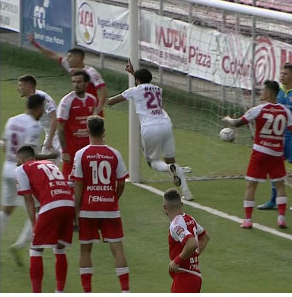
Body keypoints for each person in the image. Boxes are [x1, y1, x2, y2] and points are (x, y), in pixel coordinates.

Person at [221, 80, 292, 230]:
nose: (261, 93)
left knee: (251, 185)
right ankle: (281, 218)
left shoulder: (258, 109)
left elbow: (237, 123)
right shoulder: (285, 111)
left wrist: (227, 119)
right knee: (280, 184)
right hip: (276, 154)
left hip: (260, 152)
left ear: (269, 93)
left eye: (263, 90)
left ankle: (248, 220)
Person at [106, 63, 193, 200]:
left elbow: (111, 102)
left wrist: (102, 99)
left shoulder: (133, 91)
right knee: (171, 159)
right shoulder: (158, 89)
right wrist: (134, 72)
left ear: (137, 80)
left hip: (150, 127)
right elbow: (142, 84)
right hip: (165, 124)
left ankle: (168, 167)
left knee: (153, 162)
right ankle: (187, 193)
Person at [71, 117, 130, 293]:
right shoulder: (114, 154)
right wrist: (113, 198)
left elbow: (78, 185)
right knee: (117, 249)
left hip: (88, 209)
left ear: (88, 132)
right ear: (104, 132)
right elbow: (121, 183)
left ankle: (87, 291)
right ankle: (125, 291)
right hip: (110, 209)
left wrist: (76, 212)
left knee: (85, 250)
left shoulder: (81, 154)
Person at [14, 144, 73, 293]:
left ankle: (37, 293)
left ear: (21, 159)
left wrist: (34, 224)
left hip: (51, 205)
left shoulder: (21, 169)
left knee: (35, 249)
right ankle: (59, 292)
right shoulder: (48, 164)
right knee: (59, 248)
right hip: (68, 204)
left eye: (17, 160)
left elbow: (28, 199)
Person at [257, 64, 292, 212]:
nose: (282, 76)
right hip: (278, 136)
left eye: (286, 74)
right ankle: (273, 200)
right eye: (281, 73)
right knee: (275, 167)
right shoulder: (277, 92)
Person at [3, 95, 50, 265]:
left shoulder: (12, 120)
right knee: (38, 209)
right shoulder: (34, 127)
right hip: (21, 171)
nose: (43, 112)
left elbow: (5, 146)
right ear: (38, 108)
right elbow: (30, 155)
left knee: (6, 209)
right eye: (43, 109)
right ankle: (20, 245)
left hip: (7, 168)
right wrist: (51, 155)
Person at [28, 38, 106, 116]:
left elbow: (102, 90)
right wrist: (36, 44)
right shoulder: (69, 66)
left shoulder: (91, 72)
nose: (67, 59)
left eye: (70, 57)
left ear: (78, 58)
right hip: (80, 106)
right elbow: (52, 55)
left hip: (92, 108)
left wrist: (98, 109)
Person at [163, 187, 208, 293]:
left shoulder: (176, 224)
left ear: (165, 207)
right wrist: (191, 256)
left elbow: (192, 243)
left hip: (185, 276)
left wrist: (177, 261)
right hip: (193, 276)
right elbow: (204, 237)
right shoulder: (189, 219)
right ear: (181, 204)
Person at [53, 70, 98, 172]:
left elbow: (93, 124)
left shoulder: (92, 100)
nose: (76, 85)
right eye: (74, 82)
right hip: (71, 149)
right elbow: (60, 127)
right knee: (69, 180)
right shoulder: (67, 101)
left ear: (86, 83)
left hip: (88, 148)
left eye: (79, 82)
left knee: (88, 176)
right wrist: (64, 151)